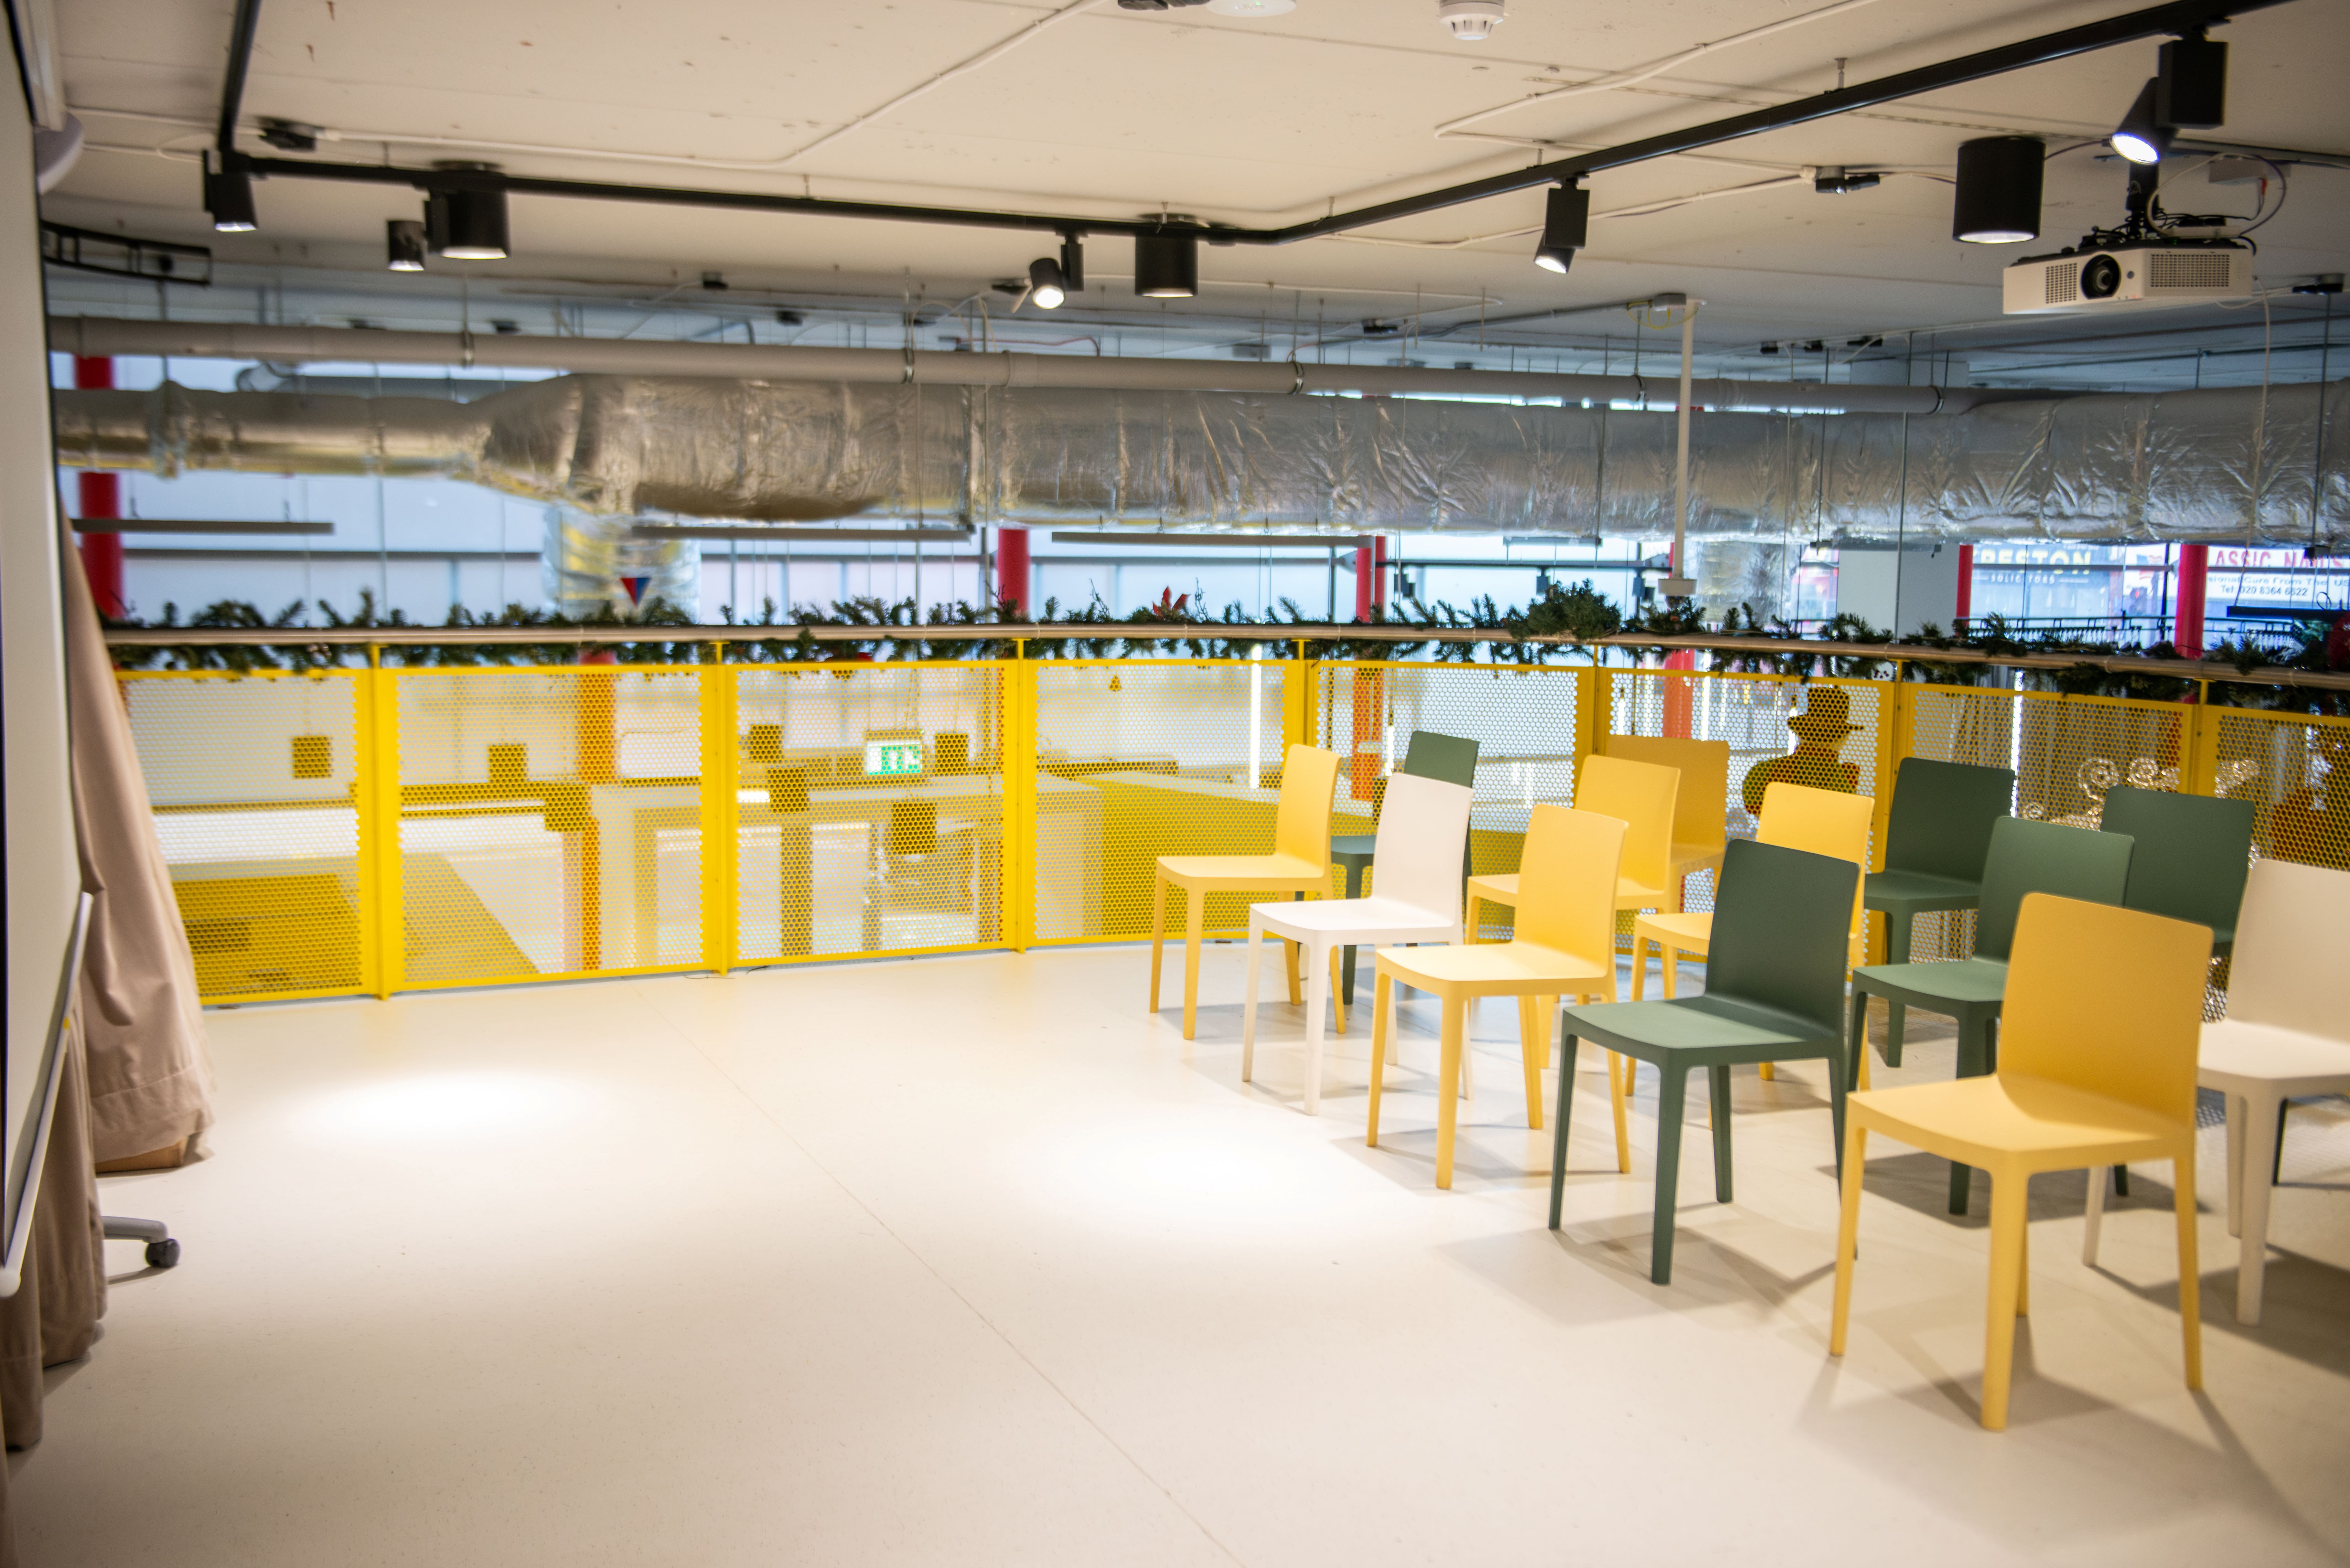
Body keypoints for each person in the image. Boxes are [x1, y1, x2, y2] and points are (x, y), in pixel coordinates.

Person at [1740, 685, 1862, 816]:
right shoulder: (1846, 778)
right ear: (1843, 739)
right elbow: (1851, 818)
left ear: (1800, 733)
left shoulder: (1765, 771)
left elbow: (1753, 807)